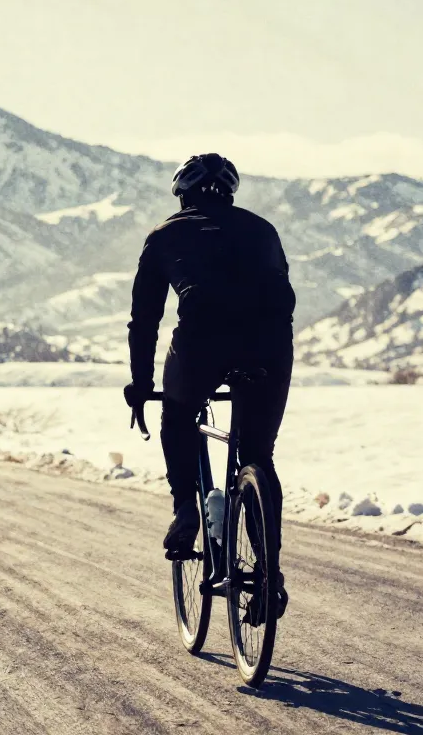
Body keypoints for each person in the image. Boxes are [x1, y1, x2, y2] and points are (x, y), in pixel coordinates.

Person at [124, 153, 295, 618]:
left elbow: (144, 321)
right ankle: (269, 576)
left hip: (201, 347)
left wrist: (141, 384)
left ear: (182, 195)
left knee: (178, 414)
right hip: (270, 349)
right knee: (258, 456)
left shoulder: (164, 234)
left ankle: (185, 508)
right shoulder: (263, 229)